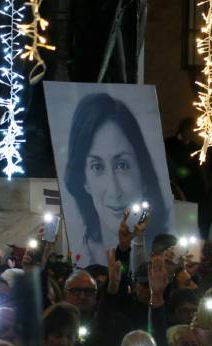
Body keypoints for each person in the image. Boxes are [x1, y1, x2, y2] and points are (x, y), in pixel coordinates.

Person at [63, 93, 173, 266]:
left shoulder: (170, 256)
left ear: (143, 174)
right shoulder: (75, 260)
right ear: (84, 181)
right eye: (97, 167)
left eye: (122, 165)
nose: (114, 190)